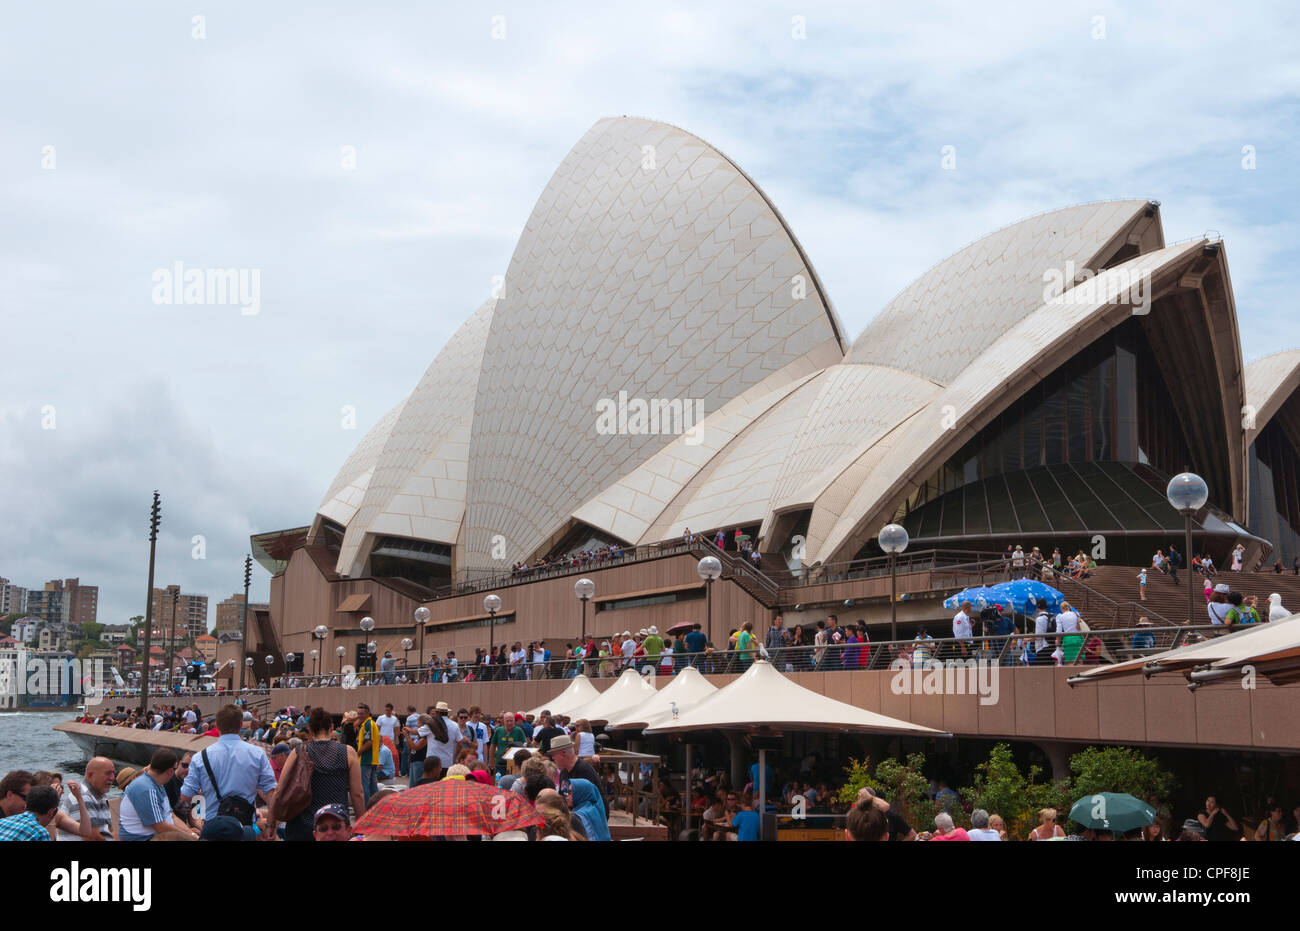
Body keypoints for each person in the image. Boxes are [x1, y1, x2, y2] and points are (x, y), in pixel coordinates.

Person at [181, 704, 278, 823]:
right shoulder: (258, 754)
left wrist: (205, 791)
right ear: (241, 725)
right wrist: (271, 825)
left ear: (217, 726)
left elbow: (186, 795)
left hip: (214, 825)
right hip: (245, 825)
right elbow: (270, 793)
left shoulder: (200, 757)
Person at [278, 707, 363, 841]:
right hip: (336, 825)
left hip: (304, 825)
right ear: (332, 727)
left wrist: (271, 822)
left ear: (310, 731)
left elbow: (280, 788)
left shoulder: (299, 752)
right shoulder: (348, 752)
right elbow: (357, 793)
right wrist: (360, 826)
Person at [121, 750, 197, 841]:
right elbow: (161, 827)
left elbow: (171, 816)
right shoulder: (147, 789)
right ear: (170, 771)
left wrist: (192, 834)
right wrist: (190, 837)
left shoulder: (158, 785)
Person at [58, 756, 116, 841]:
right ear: (90, 775)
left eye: (113, 773)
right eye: (108, 773)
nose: (112, 778)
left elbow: (111, 831)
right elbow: (91, 837)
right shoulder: (83, 796)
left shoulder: (101, 796)